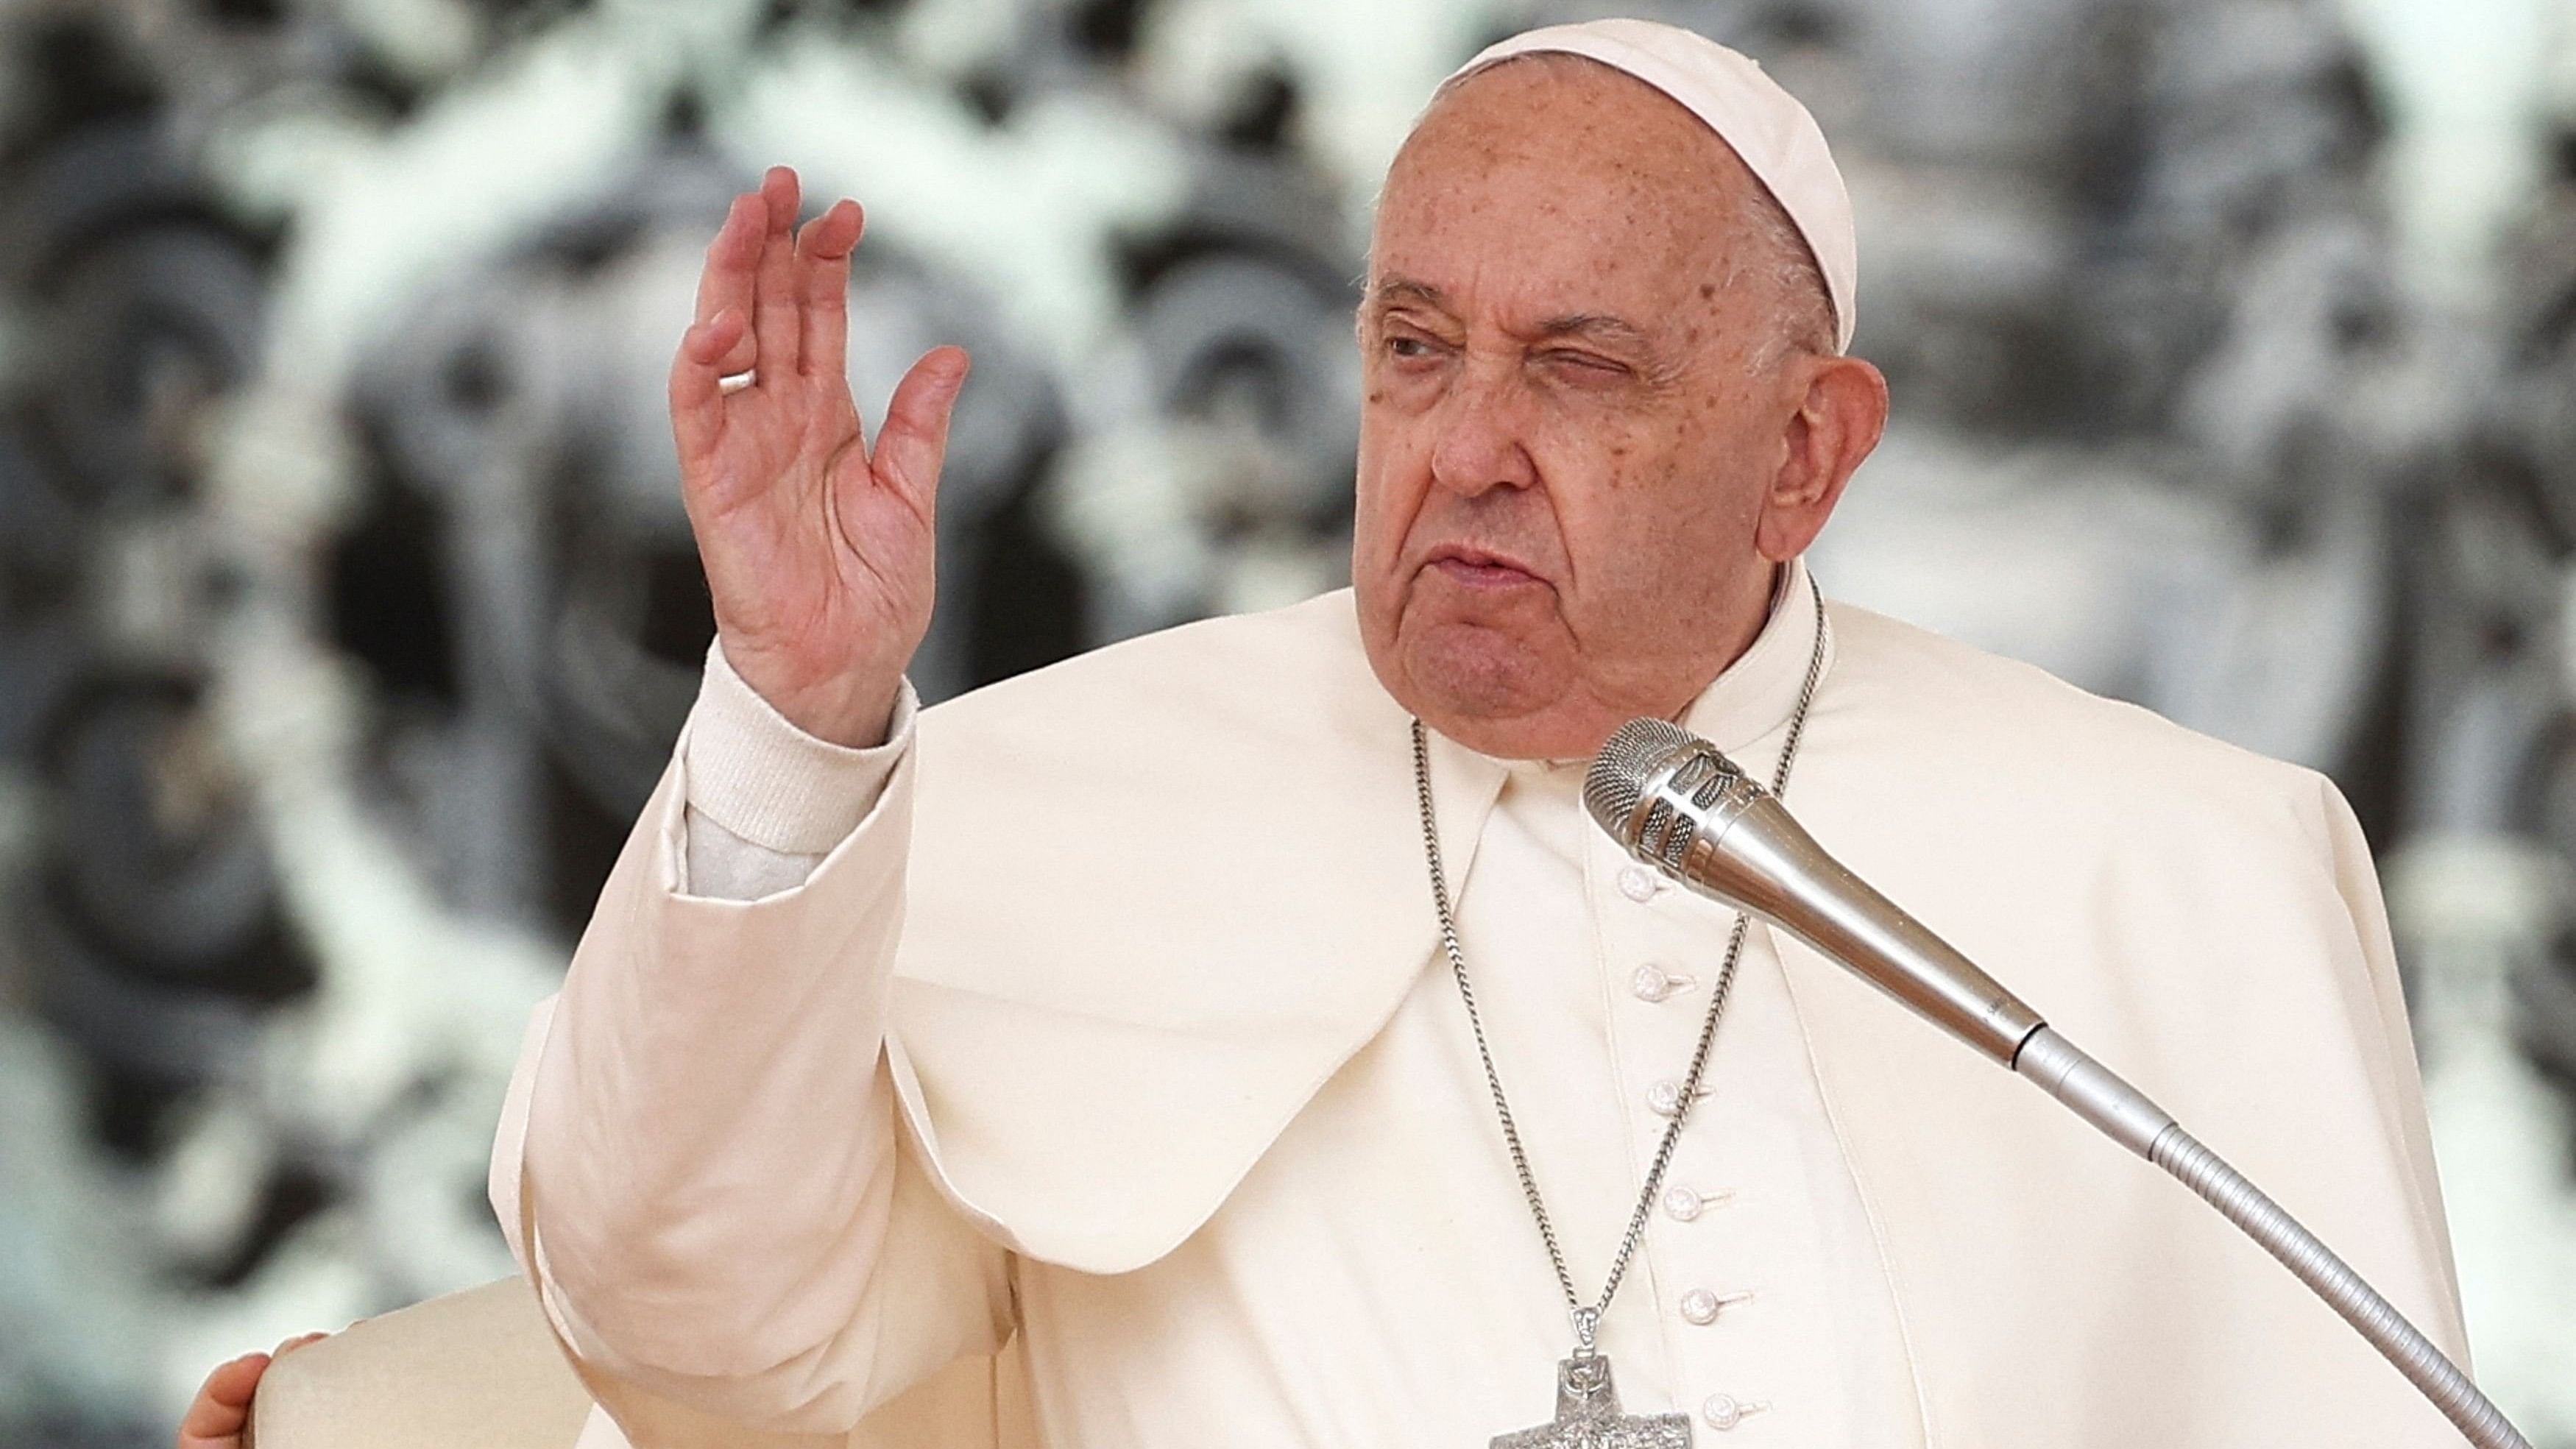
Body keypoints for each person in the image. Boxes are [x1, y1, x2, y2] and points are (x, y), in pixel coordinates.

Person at [486, 17, 2461, 1448]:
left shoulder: (2174, 867)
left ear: (1804, 453)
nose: (1465, 453)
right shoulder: (1039, 815)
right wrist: (795, 713)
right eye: (1414, 352)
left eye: (1579, 369)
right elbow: (690, 1335)